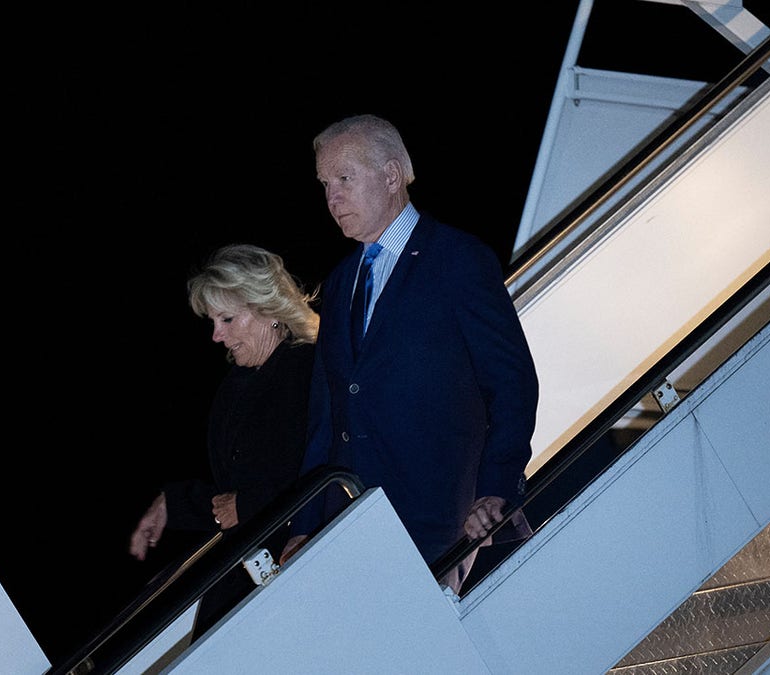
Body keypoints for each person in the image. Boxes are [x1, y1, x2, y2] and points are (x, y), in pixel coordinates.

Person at [283, 114, 539, 594]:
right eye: (324, 184)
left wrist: (497, 487)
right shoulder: (339, 284)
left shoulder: (458, 260)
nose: (332, 198)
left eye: (344, 178)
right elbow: (328, 415)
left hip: (439, 524)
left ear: (392, 175)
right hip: (350, 526)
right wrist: (303, 524)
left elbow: (512, 383)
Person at [128, 243, 320, 636]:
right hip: (248, 571)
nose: (216, 335)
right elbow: (229, 498)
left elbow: (322, 467)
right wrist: (174, 505)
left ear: (267, 310)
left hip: (299, 575)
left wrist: (248, 504)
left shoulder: (309, 370)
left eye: (228, 319)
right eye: (213, 321)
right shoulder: (239, 383)